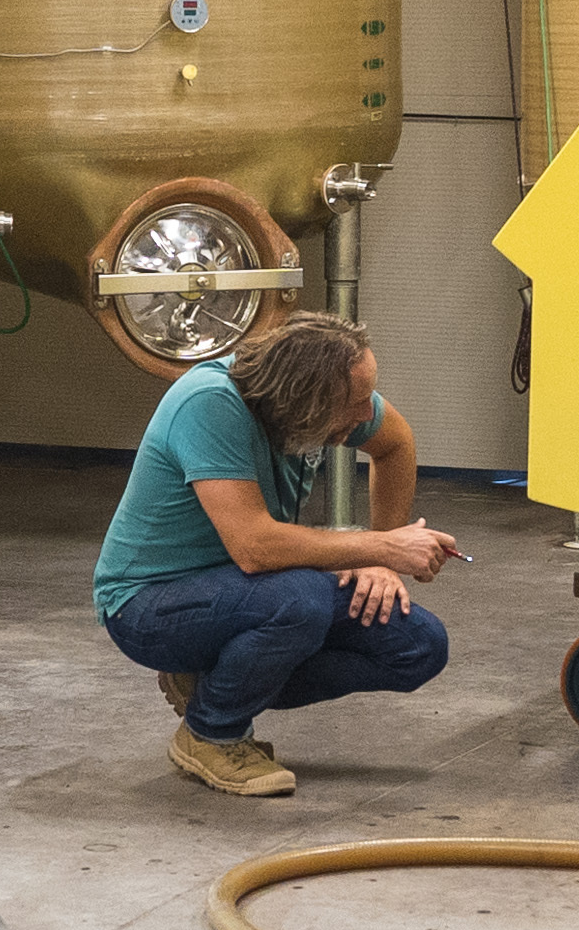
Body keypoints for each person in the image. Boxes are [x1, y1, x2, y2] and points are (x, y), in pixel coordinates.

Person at [93, 311, 458, 798]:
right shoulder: (209, 403)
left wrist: (377, 563)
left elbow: (396, 443)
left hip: (247, 589)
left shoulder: (318, 404)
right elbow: (255, 547)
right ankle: (212, 732)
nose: (363, 414)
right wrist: (382, 546)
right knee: (299, 598)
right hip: (147, 604)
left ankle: (212, 680)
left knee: (418, 646)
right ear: (302, 399)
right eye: (352, 404)